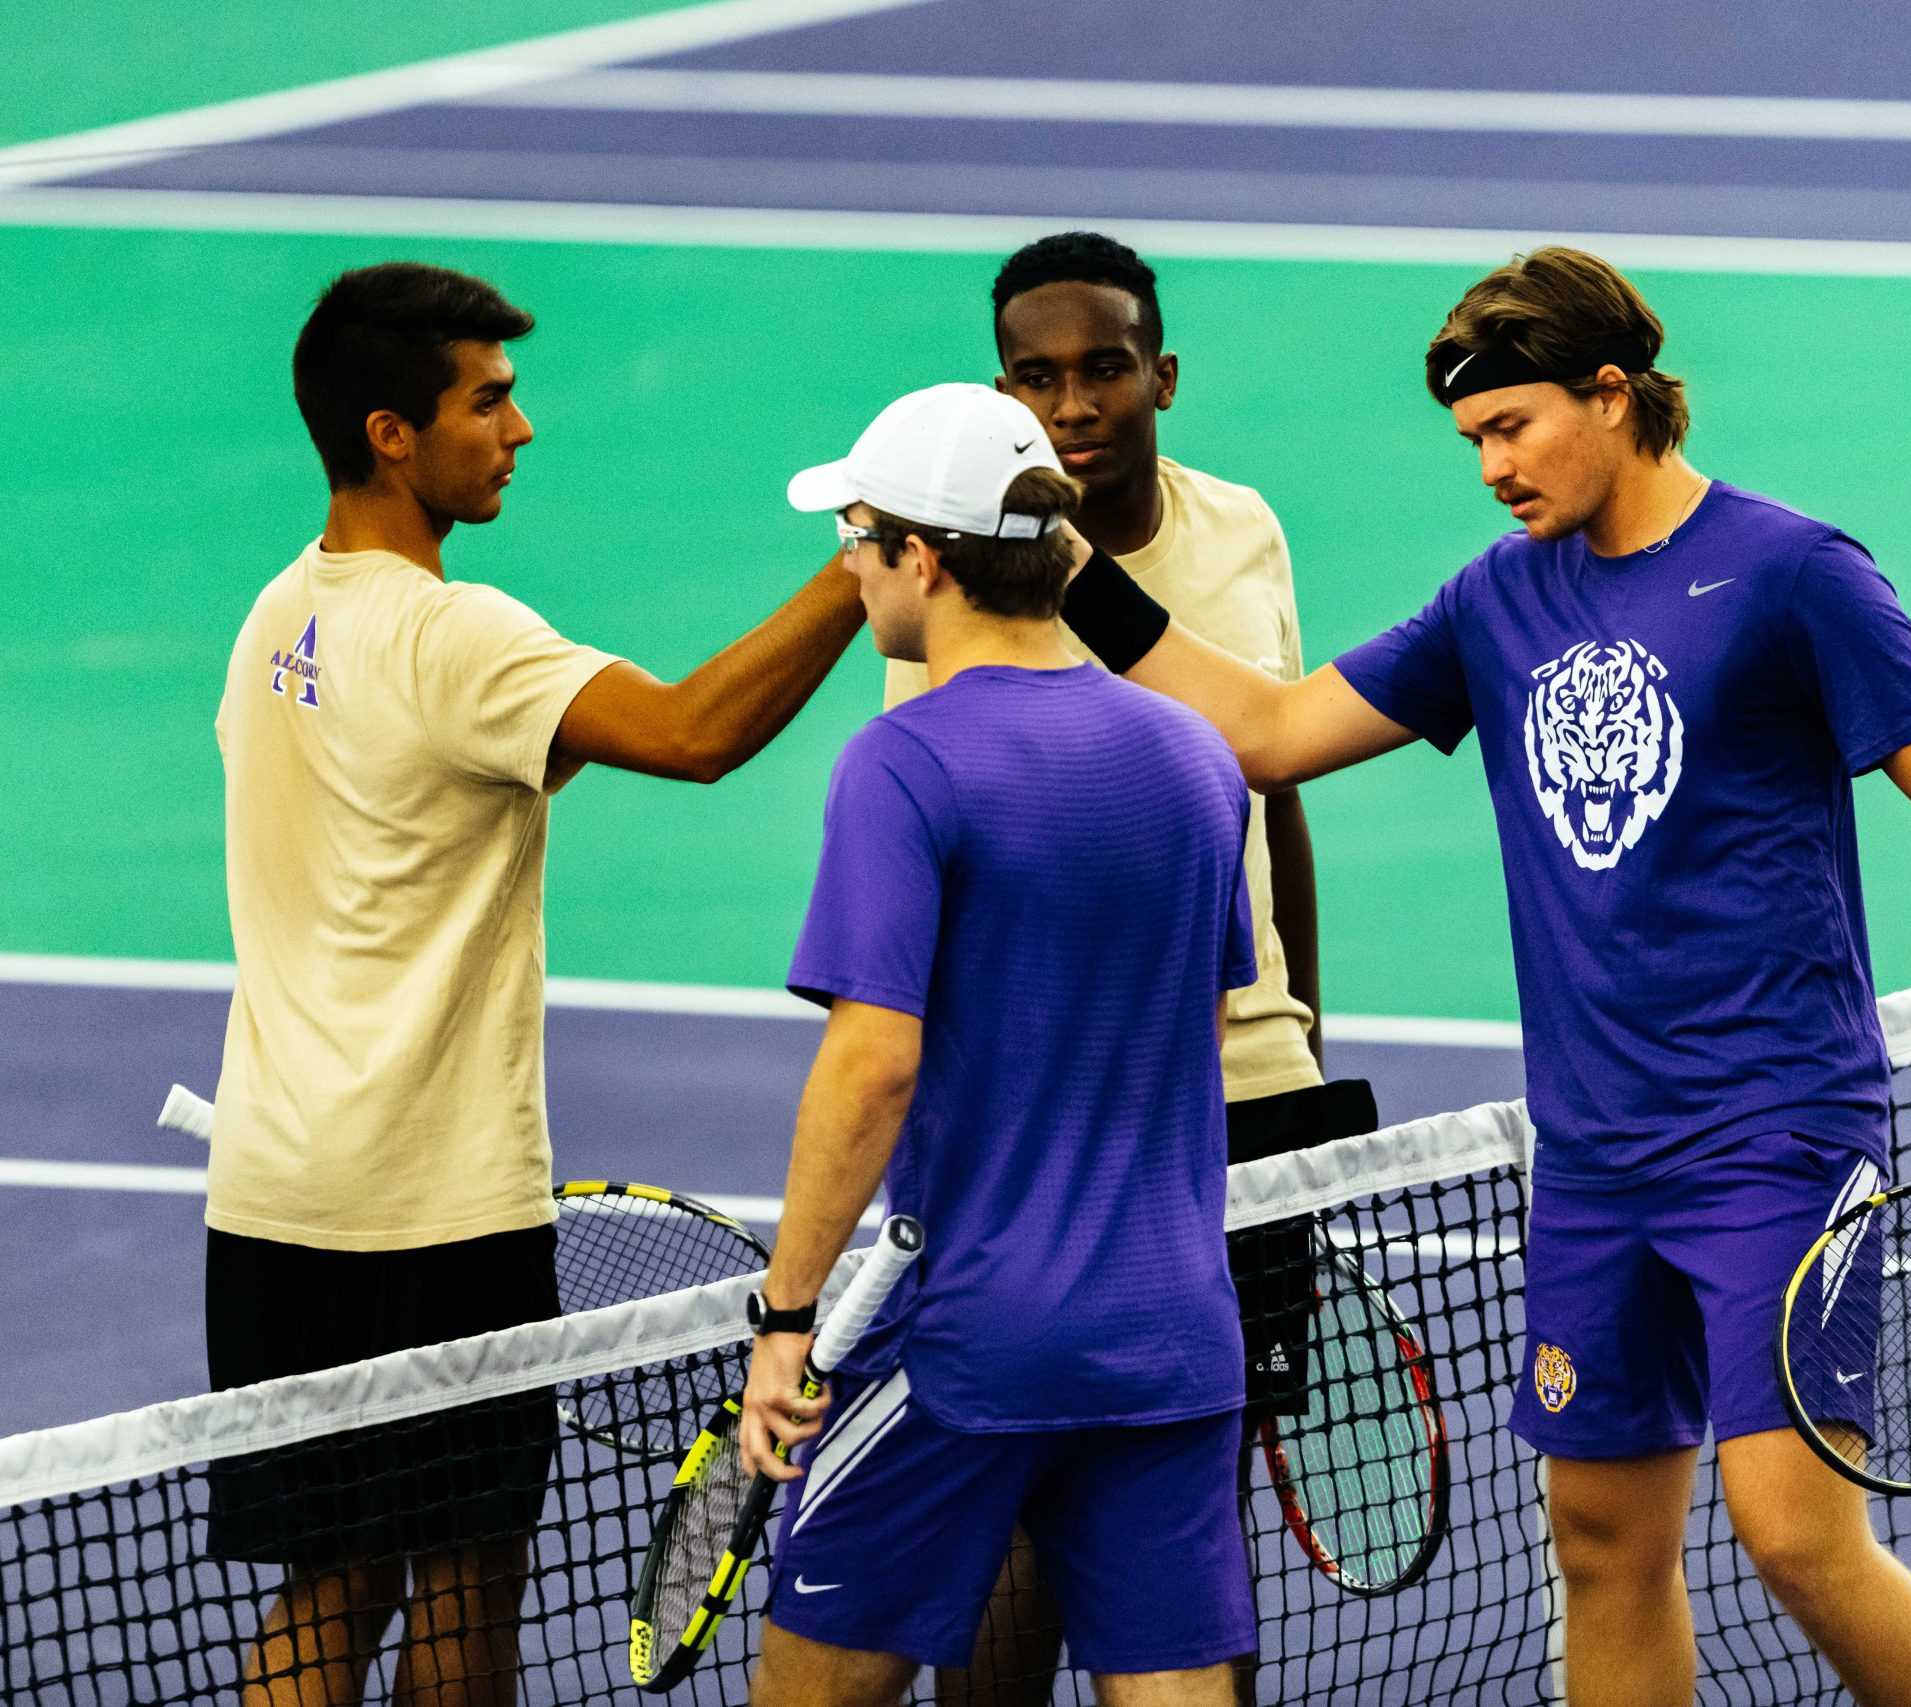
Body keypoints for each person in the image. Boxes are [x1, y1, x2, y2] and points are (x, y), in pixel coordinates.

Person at [1051, 246, 1911, 1707]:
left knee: (1795, 1536)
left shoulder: (1795, 574)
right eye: (1472, 441)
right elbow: (1270, 733)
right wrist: (1074, 575)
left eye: (1511, 428)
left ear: (1615, 395)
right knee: (1600, 1540)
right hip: (1595, 1159)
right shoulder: (1496, 605)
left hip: (1773, 1137)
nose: (1489, 469)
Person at [207, 261, 866, 1707]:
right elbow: (696, 733)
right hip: (431, 1211)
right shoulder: (457, 637)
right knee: (463, 1584)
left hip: (271, 1201)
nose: (521, 428)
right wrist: (862, 557)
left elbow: (469, 768)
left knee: (335, 1585)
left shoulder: (274, 625)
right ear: (393, 433)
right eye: (488, 400)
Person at [881, 230, 1373, 1704]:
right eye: (1038, 376)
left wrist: (1301, 1039)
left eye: (1103, 367)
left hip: (1248, 1096)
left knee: (1181, 1506)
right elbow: (956, 852)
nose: (1075, 401)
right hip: (1059, 1117)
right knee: (1021, 1518)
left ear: (1162, 374)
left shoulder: (1244, 530)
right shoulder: (959, 583)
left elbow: (1277, 796)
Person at [738, 382, 1261, 1707]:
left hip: (968, 1344)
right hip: (1174, 1335)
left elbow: (873, 1063)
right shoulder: (1195, 756)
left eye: (858, 537)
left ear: (924, 557)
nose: (850, 567)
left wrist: (786, 1321)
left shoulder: (901, 762)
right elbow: (1192, 1036)